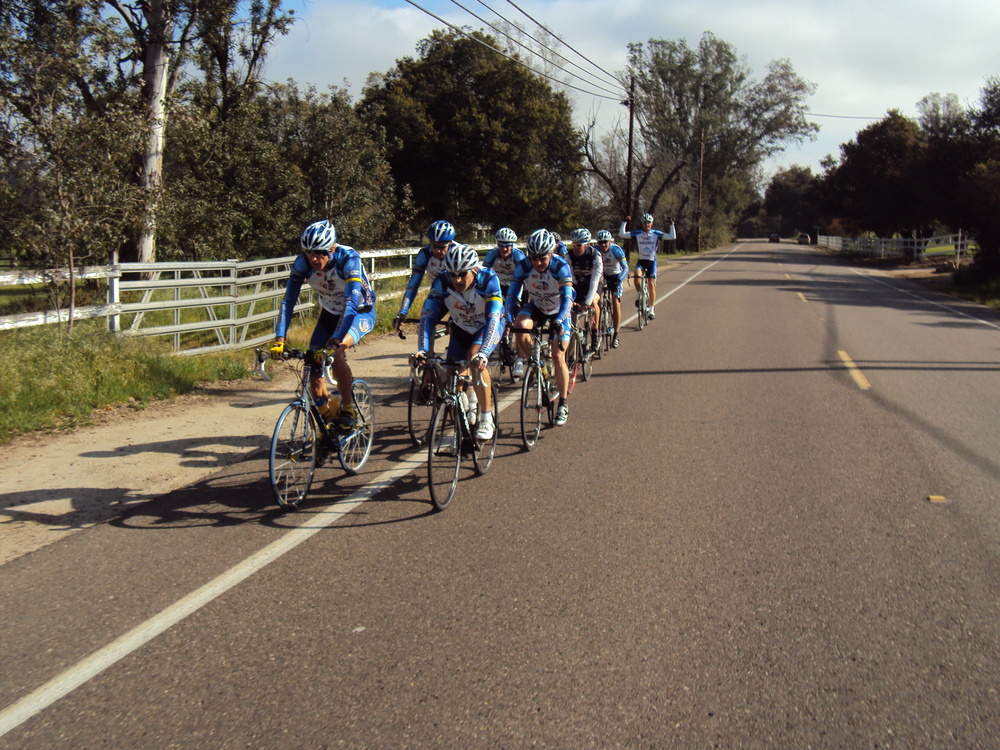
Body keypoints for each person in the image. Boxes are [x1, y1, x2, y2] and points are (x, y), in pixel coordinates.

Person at [270, 220, 376, 429]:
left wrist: (336, 340)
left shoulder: (348, 260)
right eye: (309, 252)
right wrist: (279, 339)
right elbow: (288, 301)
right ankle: (326, 419)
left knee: (336, 352)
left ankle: (348, 408)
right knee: (312, 362)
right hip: (329, 313)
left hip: (359, 312)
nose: (314, 258)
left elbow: (350, 303)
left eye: (319, 252)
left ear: (332, 249)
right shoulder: (303, 263)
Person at [415, 244, 504, 440]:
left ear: (473, 269)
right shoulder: (442, 281)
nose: (457, 280)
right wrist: (423, 349)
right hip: (461, 327)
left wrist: (484, 353)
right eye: (453, 275)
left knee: (474, 358)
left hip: (486, 326)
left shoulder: (488, 279)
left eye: (462, 274)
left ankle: (486, 417)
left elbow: (493, 319)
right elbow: (427, 317)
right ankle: (466, 405)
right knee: (452, 375)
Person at [505, 228, 575, 427]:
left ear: (551, 254)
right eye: (533, 257)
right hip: (537, 306)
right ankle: (538, 364)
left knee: (558, 356)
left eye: (542, 258)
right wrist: (508, 318)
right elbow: (511, 294)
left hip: (559, 309)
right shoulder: (524, 266)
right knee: (520, 326)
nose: (537, 263)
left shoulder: (560, 266)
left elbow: (567, 298)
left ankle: (563, 403)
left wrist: (559, 320)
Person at [393, 220, 456, 333]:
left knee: (458, 329)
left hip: (462, 296)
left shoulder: (458, 253)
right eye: (434, 246)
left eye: (442, 247)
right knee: (424, 326)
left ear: (450, 243)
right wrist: (402, 312)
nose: (437, 251)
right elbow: (413, 286)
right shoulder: (425, 254)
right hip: (440, 294)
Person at [482, 226, 527, 375]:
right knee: (490, 312)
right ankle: (495, 338)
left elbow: (523, 278)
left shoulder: (518, 256)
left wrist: (516, 300)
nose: (504, 248)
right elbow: (484, 275)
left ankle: (519, 360)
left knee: (519, 324)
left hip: (517, 287)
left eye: (508, 245)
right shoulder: (492, 255)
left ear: (512, 245)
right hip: (499, 287)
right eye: (501, 245)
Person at [618, 213, 676, 320]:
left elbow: (672, 236)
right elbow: (622, 234)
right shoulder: (638, 233)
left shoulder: (656, 233)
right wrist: (624, 222)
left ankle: (651, 308)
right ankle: (639, 294)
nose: (647, 224)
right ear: (642, 224)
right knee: (636, 277)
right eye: (645, 223)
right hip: (641, 261)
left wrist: (671, 225)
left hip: (651, 262)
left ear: (652, 223)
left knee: (651, 284)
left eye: (649, 222)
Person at [566, 228, 603, 351]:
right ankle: (576, 335)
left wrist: (587, 302)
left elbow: (594, 282)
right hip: (578, 283)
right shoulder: (568, 256)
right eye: (573, 244)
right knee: (572, 309)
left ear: (586, 245)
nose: (575, 248)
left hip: (594, 283)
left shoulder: (595, 255)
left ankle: (595, 332)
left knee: (593, 302)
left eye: (578, 245)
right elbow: (568, 279)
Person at [594, 229, 628, 348]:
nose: (603, 245)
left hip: (615, 276)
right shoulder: (595, 250)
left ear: (610, 242)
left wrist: (620, 279)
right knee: (596, 300)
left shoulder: (616, 250)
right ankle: (596, 330)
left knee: (615, 301)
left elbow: (626, 268)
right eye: (600, 242)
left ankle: (616, 334)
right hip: (602, 276)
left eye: (605, 242)